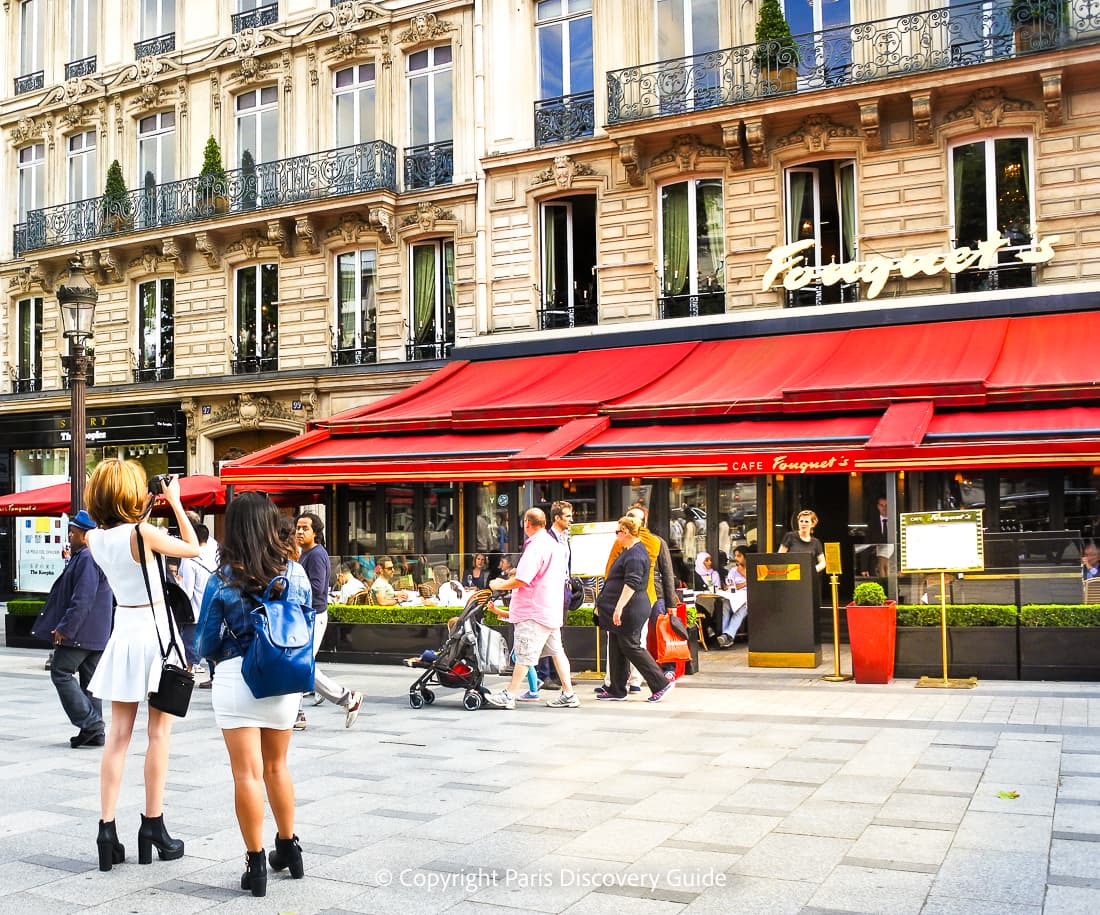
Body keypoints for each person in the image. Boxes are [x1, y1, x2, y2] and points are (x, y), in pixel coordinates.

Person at [83, 460, 199, 872]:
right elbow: (193, 548)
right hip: (155, 636)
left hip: (124, 631)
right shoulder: (144, 532)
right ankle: (153, 825)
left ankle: (106, 830)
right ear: (131, 494)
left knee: (117, 736)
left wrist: (150, 511)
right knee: (158, 735)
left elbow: (129, 542)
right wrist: (176, 503)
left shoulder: (95, 539)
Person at [196, 492, 312, 898]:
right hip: (282, 680)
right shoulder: (294, 571)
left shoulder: (223, 577)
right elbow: (306, 620)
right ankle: (289, 847)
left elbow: (205, 641)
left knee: (246, 774)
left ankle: (256, 863)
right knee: (278, 767)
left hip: (234, 678)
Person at [32, 509, 114, 749]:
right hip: (96, 633)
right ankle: (95, 731)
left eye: (74, 532)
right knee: (91, 682)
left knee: (60, 671)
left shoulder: (87, 557)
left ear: (85, 535)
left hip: (82, 633)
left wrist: (65, 629)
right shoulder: (93, 555)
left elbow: (82, 599)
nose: (69, 535)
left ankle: (91, 724)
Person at [484, 508, 580, 710]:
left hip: (533, 611)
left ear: (527, 522)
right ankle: (569, 693)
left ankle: (509, 695)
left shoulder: (535, 547)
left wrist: (498, 584)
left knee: (524, 655)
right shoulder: (553, 545)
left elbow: (522, 580)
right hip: (550, 609)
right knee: (557, 652)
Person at [595, 517, 675, 703]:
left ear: (626, 532)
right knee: (617, 644)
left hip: (631, 608)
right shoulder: (629, 550)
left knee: (631, 645)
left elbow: (631, 583)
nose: (616, 536)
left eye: (618, 532)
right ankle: (617, 689)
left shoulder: (636, 554)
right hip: (624, 607)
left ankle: (661, 683)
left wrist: (619, 607)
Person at [294, 512, 362, 730]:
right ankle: (343, 700)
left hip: (313, 616)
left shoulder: (316, 555)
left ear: (316, 532)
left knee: (301, 666)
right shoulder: (304, 553)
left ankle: (345, 700)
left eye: (305, 528)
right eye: (298, 527)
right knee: (301, 665)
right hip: (305, 615)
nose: (299, 531)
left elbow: (316, 588)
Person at [178, 522, 217, 675]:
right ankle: (215, 677)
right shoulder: (213, 555)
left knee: (189, 648)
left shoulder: (190, 560)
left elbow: (187, 592)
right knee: (209, 648)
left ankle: (186, 677)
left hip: (194, 613)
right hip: (211, 610)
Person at [716, 547, 749, 648]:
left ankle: (727, 636)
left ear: (745, 557)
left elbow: (754, 581)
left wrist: (743, 574)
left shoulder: (752, 568)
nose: (736, 558)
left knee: (741, 609)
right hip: (734, 597)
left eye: (739, 556)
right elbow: (731, 585)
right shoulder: (733, 571)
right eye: (735, 556)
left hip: (747, 599)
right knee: (725, 604)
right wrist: (745, 584)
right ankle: (725, 636)